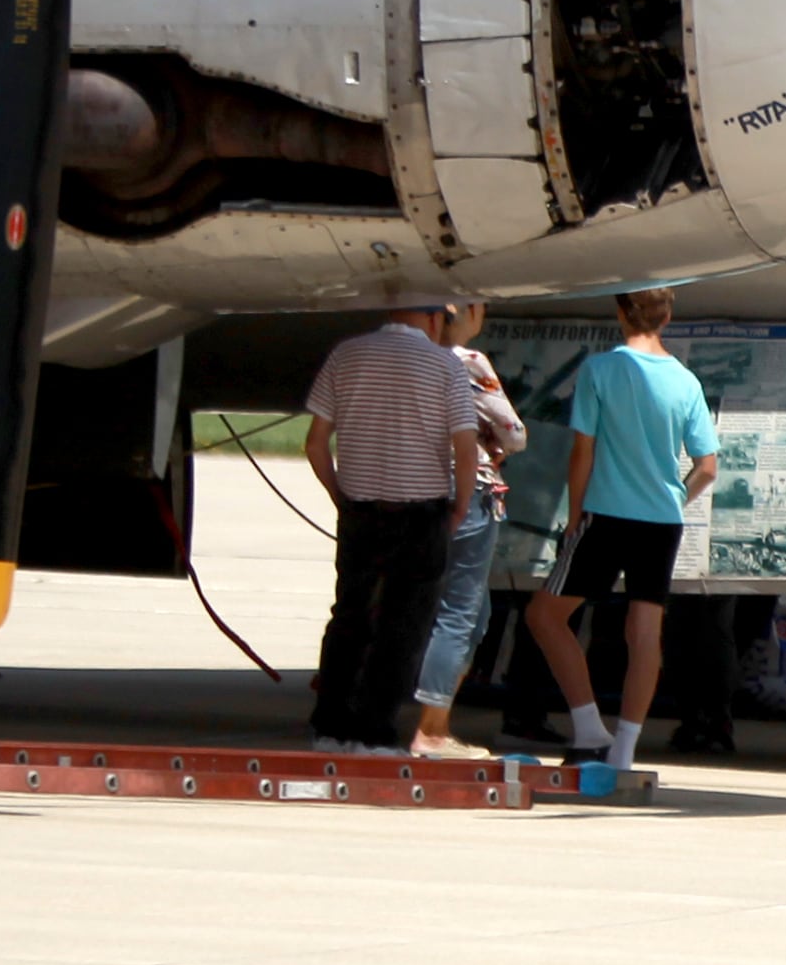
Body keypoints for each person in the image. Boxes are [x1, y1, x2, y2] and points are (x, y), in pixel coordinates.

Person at [523, 288, 722, 775]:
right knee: (644, 634)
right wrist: (675, 497)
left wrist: (574, 515)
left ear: (620, 313)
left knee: (545, 616)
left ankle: (589, 726)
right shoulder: (685, 380)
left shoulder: (600, 369)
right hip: (662, 519)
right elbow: (708, 467)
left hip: (606, 513)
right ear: (667, 316)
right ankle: (626, 748)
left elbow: (583, 451)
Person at [299, 299, 491, 753]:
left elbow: (315, 443)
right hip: (421, 510)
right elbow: (466, 450)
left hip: (361, 508)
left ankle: (329, 725)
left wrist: (339, 494)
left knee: (349, 615)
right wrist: (460, 506)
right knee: (403, 625)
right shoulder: (445, 365)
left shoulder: (346, 354)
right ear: (431, 319)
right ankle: (374, 730)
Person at [404, 297, 529, 761]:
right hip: (471, 492)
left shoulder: (409, 361)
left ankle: (436, 720)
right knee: (460, 613)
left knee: (474, 615)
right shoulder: (469, 362)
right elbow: (514, 433)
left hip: (418, 490)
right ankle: (431, 730)